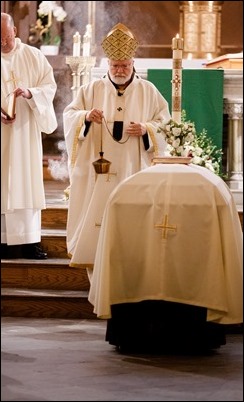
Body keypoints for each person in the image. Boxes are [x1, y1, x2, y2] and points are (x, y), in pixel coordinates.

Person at [63, 23, 171, 269]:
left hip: (134, 167)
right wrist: (86, 116)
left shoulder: (148, 90)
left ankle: (133, 257)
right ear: (108, 65)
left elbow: (165, 123)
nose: (120, 70)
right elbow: (70, 115)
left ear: (133, 63)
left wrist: (147, 130)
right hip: (98, 169)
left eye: (125, 65)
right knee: (97, 212)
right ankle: (92, 254)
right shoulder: (91, 89)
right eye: (115, 65)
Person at [1, 13, 57, 259]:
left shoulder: (33, 56)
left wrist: (31, 93)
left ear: (14, 31)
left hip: (24, 133)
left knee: (26, 183)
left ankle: (30, 240)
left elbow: (49, 87)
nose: (2, 42)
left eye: (5, 36)